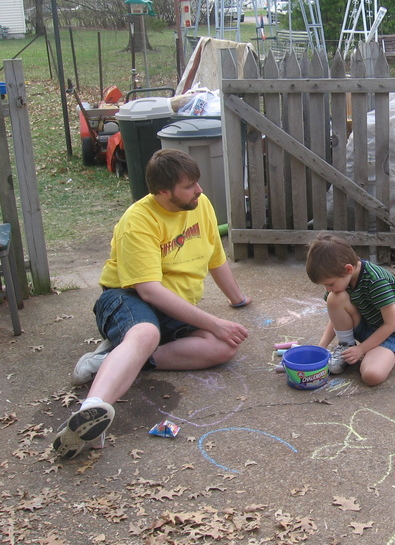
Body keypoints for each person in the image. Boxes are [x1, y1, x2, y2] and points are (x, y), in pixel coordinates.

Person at [52, 149, 250, 459]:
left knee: (224, 346)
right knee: (146, 334)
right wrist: (213, 321)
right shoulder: (138, 220)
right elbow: (149, 292)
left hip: (175, 303)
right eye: (189, 185)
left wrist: (237, 299)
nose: (199, 190)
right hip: (125, 296)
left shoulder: (201, 204)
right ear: (162, 191)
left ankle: (110, 361)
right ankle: (91, 412)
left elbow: (215, 257)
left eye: (197, 182)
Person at [305, 234, 395, 387]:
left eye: (330, 284)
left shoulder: (377, 281)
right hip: (364, 323)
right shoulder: (342, 279)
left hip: (389, 335)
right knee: (334, 299)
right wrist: (321, 347)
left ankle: (373, 352)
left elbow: (391, 324)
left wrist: (362, 349)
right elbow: (335, 317)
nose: (328, 289)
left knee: (371, 375)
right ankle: (347, 346)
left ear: (348, 269)